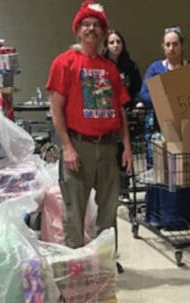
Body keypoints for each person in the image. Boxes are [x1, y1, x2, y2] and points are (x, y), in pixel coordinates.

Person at [46, 0, 132, 250]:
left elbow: (121, 111)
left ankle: (104, 262)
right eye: (86, 24)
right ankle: (75, 266)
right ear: (77, 29)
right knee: (74, 210)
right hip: (78, 145)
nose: (91, 29)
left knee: (109, 209)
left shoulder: (110, 69)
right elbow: (56, 108)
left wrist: (126, 146)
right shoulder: (64, 63)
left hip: (107, 146)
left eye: (97, 25)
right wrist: (67, 147)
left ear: (104, 33)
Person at [137, 26, 189, 166]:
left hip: (184, 128)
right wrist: (165, 99)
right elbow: (143, 94)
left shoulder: (189, 68)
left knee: (181, 167)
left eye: (175, 44)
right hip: (158, 126)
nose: (171, 48)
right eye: (168, 44)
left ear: (182, 46)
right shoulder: (155, 68)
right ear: (163, 47)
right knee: (158, 167)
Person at [104, 29, 142, 203]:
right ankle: (109, 190)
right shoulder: (102, 65)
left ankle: (124, 190)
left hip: (127, 114)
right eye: (111, 42)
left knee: (124, 153)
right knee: (108, 153)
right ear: (106, 45)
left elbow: (137, 89)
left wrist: (137, 104)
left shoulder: (130, 66)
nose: (115, 45)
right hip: (107, 116)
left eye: (118, 41)